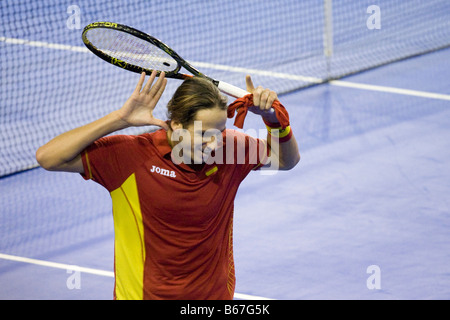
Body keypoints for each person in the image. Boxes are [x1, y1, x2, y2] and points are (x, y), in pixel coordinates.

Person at [36, 70, 300, 300]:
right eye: (204, 135)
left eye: (219, 133)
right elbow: (48, 157)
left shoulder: (230, 149)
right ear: (176, 125)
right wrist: (120, 119)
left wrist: (273, 120)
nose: (214, 144)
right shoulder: (130, 156)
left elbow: (285, 160)